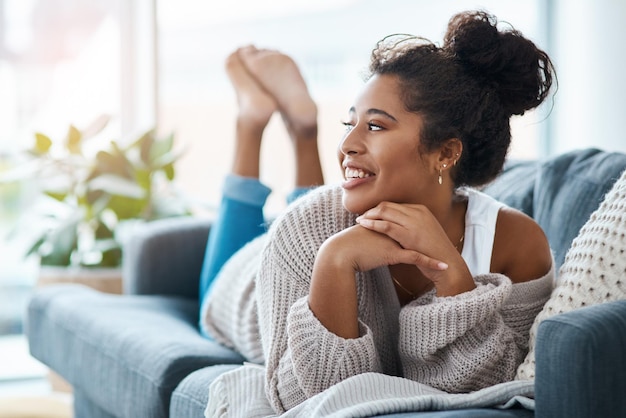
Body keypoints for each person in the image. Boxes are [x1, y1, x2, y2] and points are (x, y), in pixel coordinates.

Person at [199, 10, 556, 415]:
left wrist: (452, 277)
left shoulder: (515, 243)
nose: (348, 142)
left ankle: (299, 128)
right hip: (240, 288)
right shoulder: (304, 228)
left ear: (445, 153)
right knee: (311, 212)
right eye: (348, 123)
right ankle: (255, 122)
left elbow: (490, 389)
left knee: (325, 200)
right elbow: (306, 403)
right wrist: (334, 261)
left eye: (376, 127)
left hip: (318, 218)